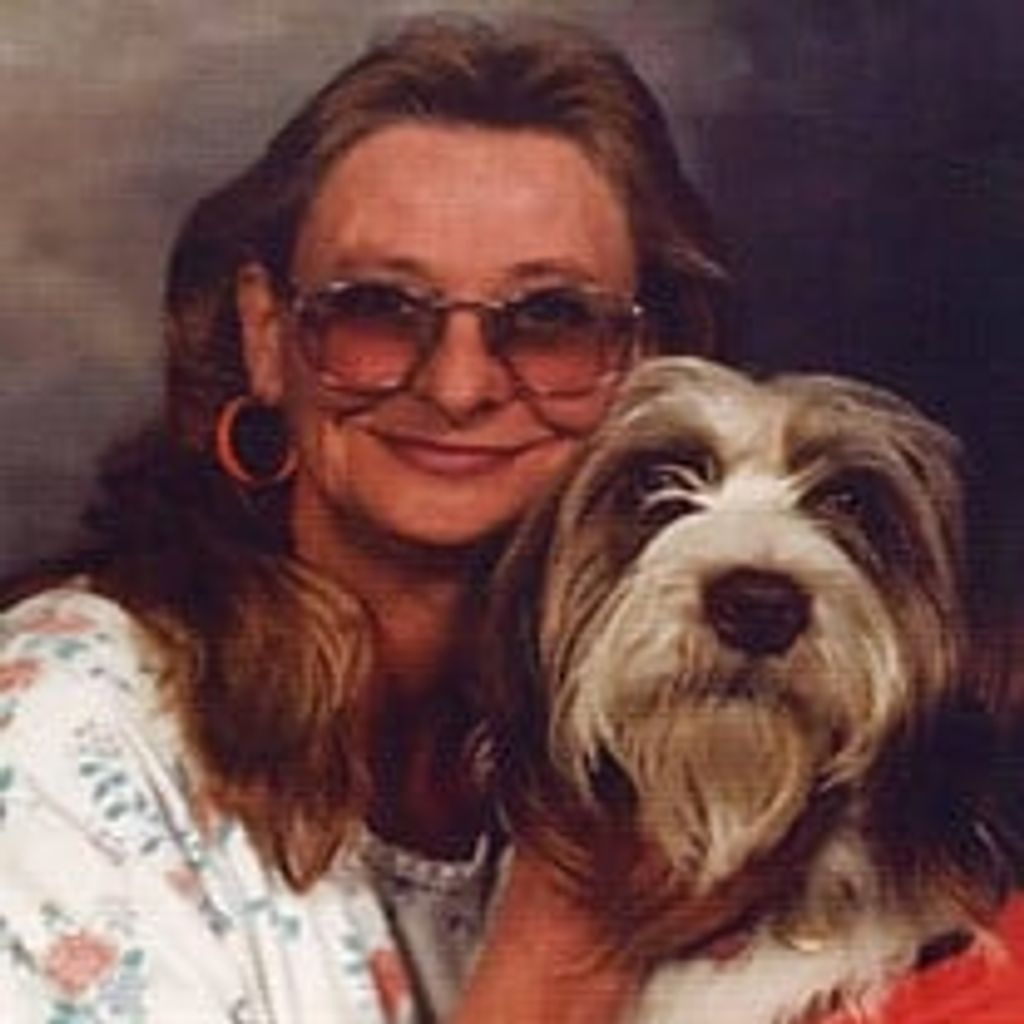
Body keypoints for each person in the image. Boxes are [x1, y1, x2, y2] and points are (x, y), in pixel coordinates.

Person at [0, 13, 730, 1022]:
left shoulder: (654, 727)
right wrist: (569, 952)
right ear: (266, 336)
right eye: (378, 308)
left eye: (550, 319)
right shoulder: (57, 731)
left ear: (646, 364)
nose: (460, 387)